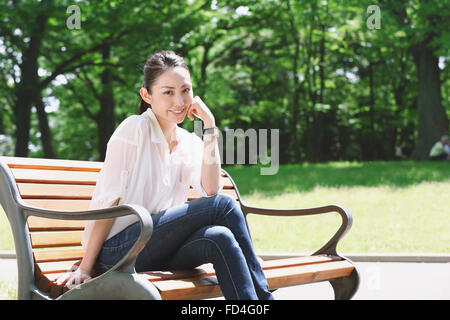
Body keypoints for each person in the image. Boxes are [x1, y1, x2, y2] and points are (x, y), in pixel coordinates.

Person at [56, 50, 274, 300]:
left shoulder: (188, 141)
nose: (180, 101)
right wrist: (86, 266)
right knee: (224, 206)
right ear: (146, 95)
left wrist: (210, 127)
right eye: (168, 92)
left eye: (185, 90)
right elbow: (109, 202)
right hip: (119, 251)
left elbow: (211, 189)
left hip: (157, 247)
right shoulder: (134, 128)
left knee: (220, 237)